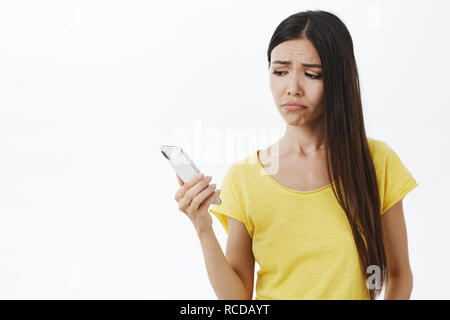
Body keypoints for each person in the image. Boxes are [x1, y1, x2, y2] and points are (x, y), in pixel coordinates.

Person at [174, 10, 418, 300]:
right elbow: (237, 299)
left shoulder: (377, 162)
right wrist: (203, 229)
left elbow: (399, 274)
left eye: (312, 74)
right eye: (280, 71)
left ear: (339, 80)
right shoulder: (245, 178)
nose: (292, 88)